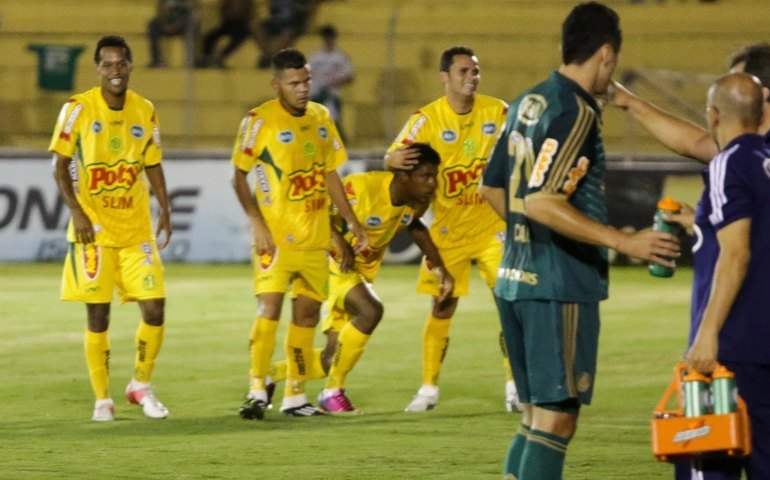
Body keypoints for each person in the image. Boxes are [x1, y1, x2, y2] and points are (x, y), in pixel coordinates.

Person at [479, 3, 680, 478]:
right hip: (558, 284)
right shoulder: (576, 111)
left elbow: (492, 188)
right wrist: (625, 242)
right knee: (556, 420)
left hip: (515, 275)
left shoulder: (531, 100)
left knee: (535, 419)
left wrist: (527, 241)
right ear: (606, 54)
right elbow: (543, 202)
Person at [265, 143, 454, 413]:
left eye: (434, 176)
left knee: (331, 359)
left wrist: (441, 268)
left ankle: (269, 373)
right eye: (426, 176)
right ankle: (332, 393)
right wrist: (339, 240)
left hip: (357, 273)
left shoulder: (413, 203)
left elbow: (414, 226)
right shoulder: (362, 188)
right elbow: (313, 211)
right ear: (403, 176)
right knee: (370, 310)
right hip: (329, 264)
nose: (433, 183)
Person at [231, 48, 367, 419]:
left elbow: (330, 176)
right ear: (277, 85)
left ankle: (295, 396)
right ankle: (257, 388)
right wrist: (257, 222)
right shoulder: (259, 121)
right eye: (294, 83)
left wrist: (351, 223)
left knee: (306, 317)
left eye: (306, 80)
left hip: (315, 237)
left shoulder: (322, 117)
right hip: (274, 239)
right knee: (269, 308)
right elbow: (238, 177)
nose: (303, 88)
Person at [384, 46, 519, 413]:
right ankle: (428, 389)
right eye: (463, 72)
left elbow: (525, 147)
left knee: (510, 305)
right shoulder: (426, 119)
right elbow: (396, 154)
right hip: (448, 231)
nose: (471, 78)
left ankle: (514, 387)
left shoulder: (499, 111)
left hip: (493, 228)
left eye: (475, 71)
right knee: (442, 306)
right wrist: (390, 158)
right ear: (445, 76)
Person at [50, 35, 172, 422]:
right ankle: (102, 398)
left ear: (131, 65)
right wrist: (78, 213)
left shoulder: (145, 110)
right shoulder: (78, 109)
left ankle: (140, 384)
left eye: (121, 63)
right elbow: (59, 165)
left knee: (155, 308)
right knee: (98, 317)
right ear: (98, 69)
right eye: (108, 65)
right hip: (94, 233)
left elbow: (152, 163)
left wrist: (165, 208)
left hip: (136, 230)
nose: (115, 71)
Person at [608, 42, 770, 162]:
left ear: (762, 96)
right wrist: (626, 100)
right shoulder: (746, 149)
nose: (724, 93)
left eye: (735, 86)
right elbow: (694, 143)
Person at [308, 24, 354, 140]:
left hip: (333, 95)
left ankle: (340, 145)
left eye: (330, 37)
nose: (328, 40)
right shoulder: (315, 57)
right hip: (316, 95)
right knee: (315, 123)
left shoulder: (340, 57)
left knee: (333, 121)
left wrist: (335, 82)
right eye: (326, 37)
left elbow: (349, 76)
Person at [254, 0, 315, 69]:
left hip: (293, 20)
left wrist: (296, 7)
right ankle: (268, 54)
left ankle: (272, 56)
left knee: (287, 32)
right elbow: (272, 9)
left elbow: (306, 9)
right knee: (257, 28)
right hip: (276, 20)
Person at [197, 0, 255, 69]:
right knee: (210, 36)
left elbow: (247, 13)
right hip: (226, 23)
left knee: (242, 34)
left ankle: (221, 57)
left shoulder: (246, 4)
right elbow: (225, 12)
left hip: (240, 24)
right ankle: (205, 58)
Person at [146, 0, 198, 68]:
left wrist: (177, 25)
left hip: (184, 24)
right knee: (152, 25)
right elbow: (160, 10)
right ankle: (157, 60)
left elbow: (193, 13)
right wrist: (165, 24)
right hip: (167, 24)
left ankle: (190, 61)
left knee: (192, 25)